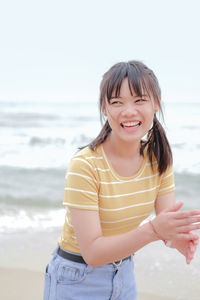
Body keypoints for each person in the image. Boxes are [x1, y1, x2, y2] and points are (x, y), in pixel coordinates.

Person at [43, 60, 200, 300]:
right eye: (117, 102)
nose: (129, 111)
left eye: (139, 100)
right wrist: (155, 230)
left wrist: (176, 238)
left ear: (156, 103)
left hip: (124, 274)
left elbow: (164, 222)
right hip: (76, 279)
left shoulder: (158, 159)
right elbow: (93, 253)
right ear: (104, 108)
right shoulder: (85, 165)